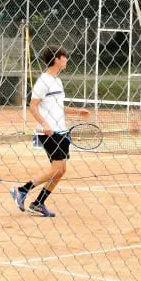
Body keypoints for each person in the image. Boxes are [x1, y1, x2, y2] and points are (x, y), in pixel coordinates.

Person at [10, 46, 91, 218]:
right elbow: (32, 106)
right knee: (56, 169)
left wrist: (78, 111)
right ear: (56, 59)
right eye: (64, 57)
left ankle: (38, 203)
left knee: (61, 170)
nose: (66, 60)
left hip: (61, 132)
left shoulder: (57, 81)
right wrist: (45, 124)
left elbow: (59, 107)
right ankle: (21, 190)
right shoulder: (43, 81)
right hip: (48, 132)